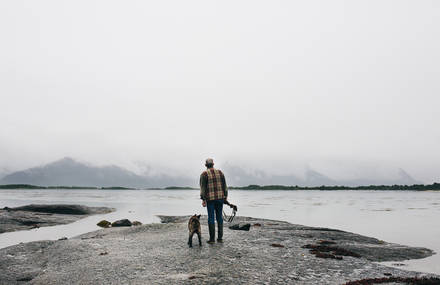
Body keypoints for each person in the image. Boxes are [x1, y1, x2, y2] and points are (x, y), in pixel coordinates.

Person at [200, 158, 228, 244]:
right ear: (213, 164)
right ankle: (220, 238)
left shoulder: (204, 174)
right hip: (220, 198)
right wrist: (225, 196)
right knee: (219, 217)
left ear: (205, 165)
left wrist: (203, 199)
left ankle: (212, 239)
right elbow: (225, 186)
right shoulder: (220, 172)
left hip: (210, 199)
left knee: (211, 218)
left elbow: (203, 188)